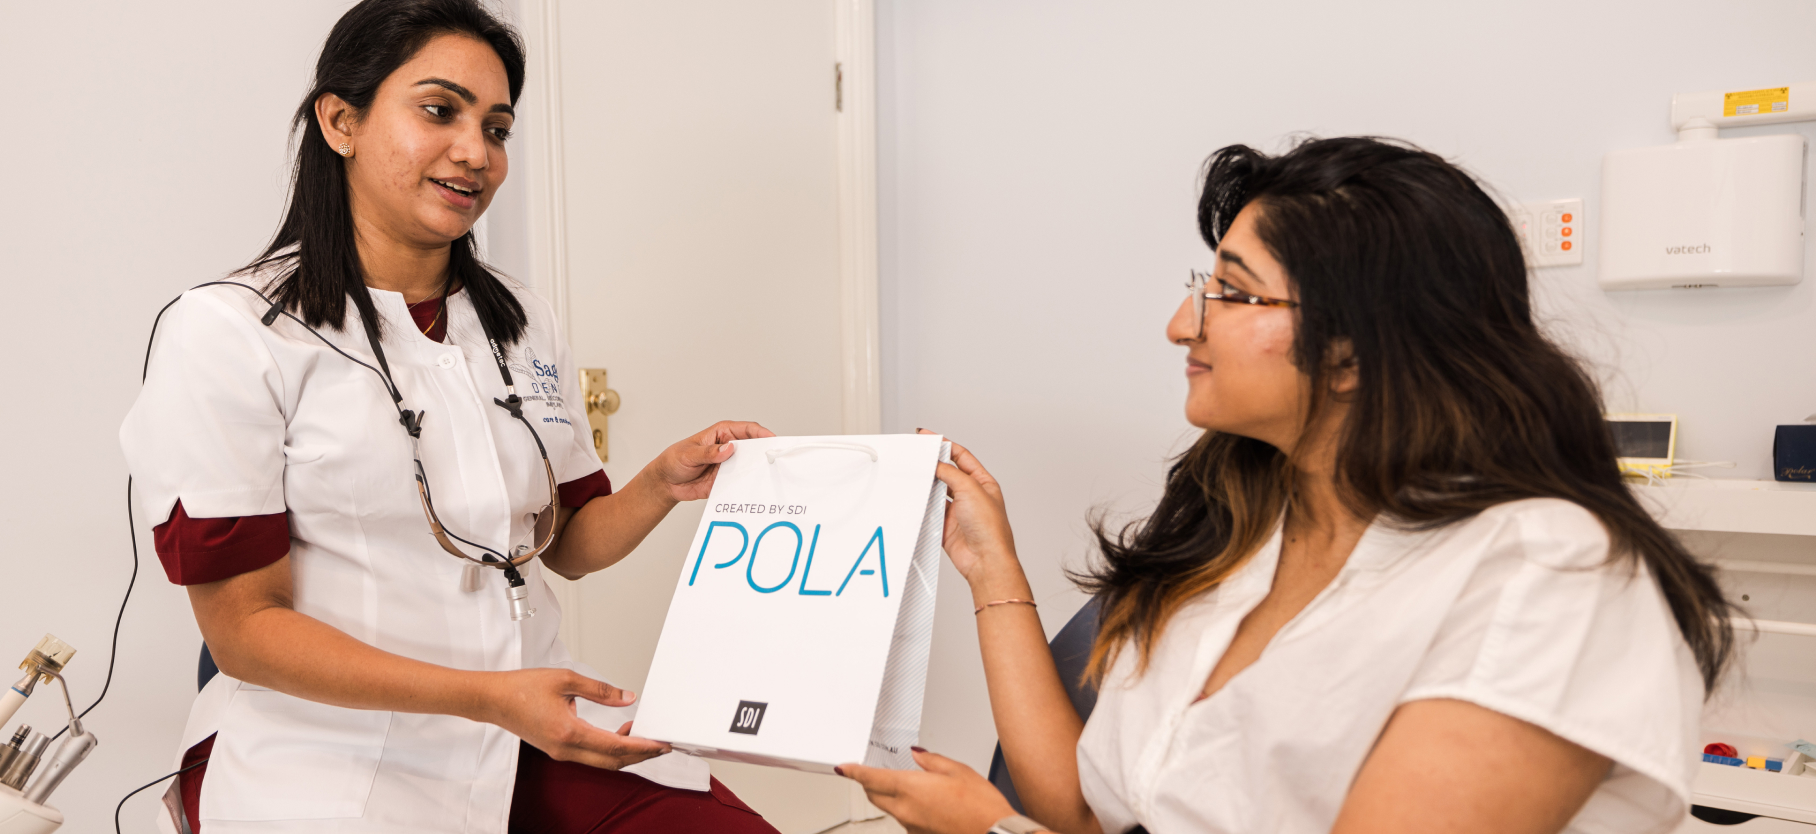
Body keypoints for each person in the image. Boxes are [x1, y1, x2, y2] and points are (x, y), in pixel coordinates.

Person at [840, 137, 1735, 834]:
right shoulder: (1240, 528)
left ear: (1358, 348)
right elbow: (1087, 811)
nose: (1180, 324)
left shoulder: (1548, 577)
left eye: (1233, 294)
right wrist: (990, 565)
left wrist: (994, 831)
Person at [119, 2, 781, 832]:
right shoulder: (230, 331)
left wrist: (661, 483)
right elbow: (245, 631)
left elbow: (568, 545)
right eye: (439, 111)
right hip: (326, 749)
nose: (476, 153)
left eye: (497, 129)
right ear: (341, 122)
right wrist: (489, 697)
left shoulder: (519, 320)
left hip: (529, 725)